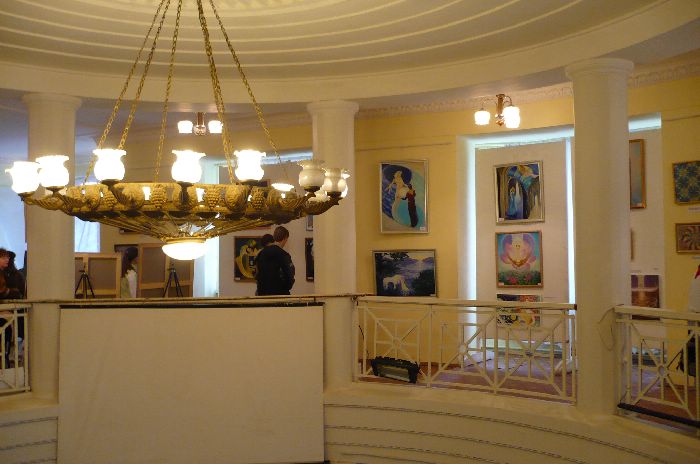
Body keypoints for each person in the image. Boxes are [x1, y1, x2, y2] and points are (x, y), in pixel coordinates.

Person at [255, 226, 295, 296]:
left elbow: (256, 274)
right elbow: (290, 275)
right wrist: (285, 287)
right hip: (280, 295)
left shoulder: (260, 254)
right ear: (285, 238)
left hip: (263, 295)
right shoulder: (284, 254)